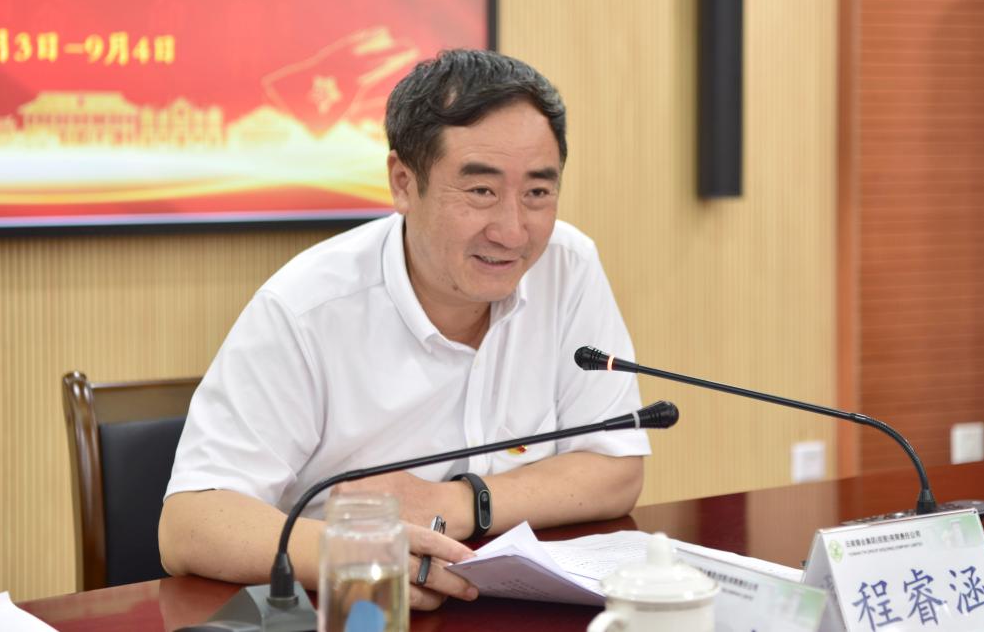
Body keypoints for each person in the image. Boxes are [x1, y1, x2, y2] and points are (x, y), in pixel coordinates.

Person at [159, 49, 651, 610]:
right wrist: (364, 553)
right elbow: (191, 524)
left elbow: (615, 469)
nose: (513, 232)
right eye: (481, 192)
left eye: (537, 193)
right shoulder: (306, 308)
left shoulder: (567, 265)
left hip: (508, 606)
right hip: (355, 611)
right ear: (403, 183)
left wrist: (460, 503)